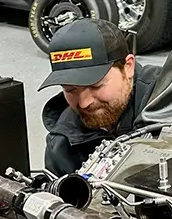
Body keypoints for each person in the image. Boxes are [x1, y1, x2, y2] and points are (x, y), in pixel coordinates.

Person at [40, 19, 160, 176]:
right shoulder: (61, 146)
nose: (84, 103)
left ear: (128, 67)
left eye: (95, 86)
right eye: (70, 90)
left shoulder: (171, 99)